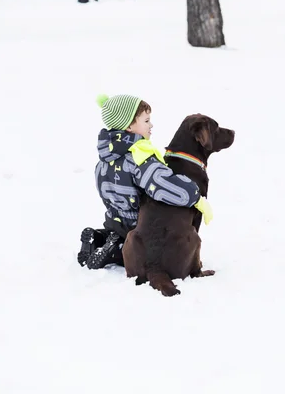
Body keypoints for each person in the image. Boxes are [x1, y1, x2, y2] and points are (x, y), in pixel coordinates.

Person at [77, 94, 212, 270]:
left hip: (112, 219)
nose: (151, 125)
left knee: (116, 234)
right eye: (146, 120)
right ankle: (114, 252)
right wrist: (194, 195)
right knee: (137, 251)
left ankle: (99, 238)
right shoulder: (139, 156)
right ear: (129, 126)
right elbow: (162, 184)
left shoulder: (105, 158)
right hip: (136, 225)